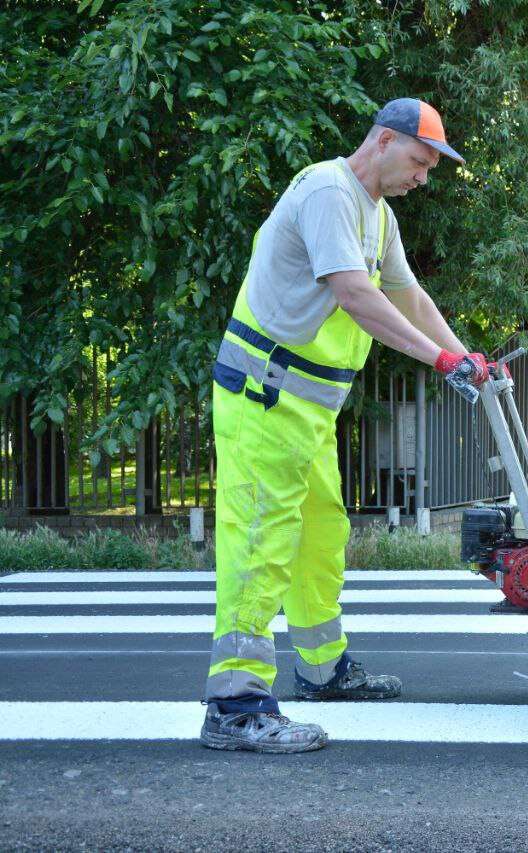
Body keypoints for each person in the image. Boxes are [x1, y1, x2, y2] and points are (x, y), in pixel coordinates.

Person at [200, 98, 490, 753]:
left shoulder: (377, 216)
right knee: (261, 547)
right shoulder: (330, 190)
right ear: (383, 141)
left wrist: (462, 355)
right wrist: (438, 358)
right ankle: (235, 705)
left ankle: (323, 671)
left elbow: (408, 294)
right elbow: (357, 295)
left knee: (319, 538)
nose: (423, 177)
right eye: (419, 161)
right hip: (263, 400)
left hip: (306, 413)